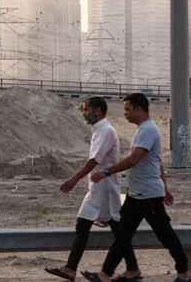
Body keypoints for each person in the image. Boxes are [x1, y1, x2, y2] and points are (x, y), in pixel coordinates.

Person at [81, 93, 191, 282]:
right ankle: (110, 274)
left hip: (148, 196)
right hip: (137, 195)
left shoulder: (147, 130)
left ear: (138, 109)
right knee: (122, 236)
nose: (125, 113)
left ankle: (184, 274)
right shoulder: (143, 130)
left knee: (166, 236)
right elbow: (157, 162)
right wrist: (165, 188)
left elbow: (133, 159)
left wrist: (106, 171)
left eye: (127, 109)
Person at [45, 97, 142, 282]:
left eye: (85, 109)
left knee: (115, 229)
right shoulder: (100, 130)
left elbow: (94, 161)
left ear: (97, 111)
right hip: (98, 187)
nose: (83, 113)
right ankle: (71, 269)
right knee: (86, 226)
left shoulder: (106, 131)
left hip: (105, 188)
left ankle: (132, 269)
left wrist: (74, 179)